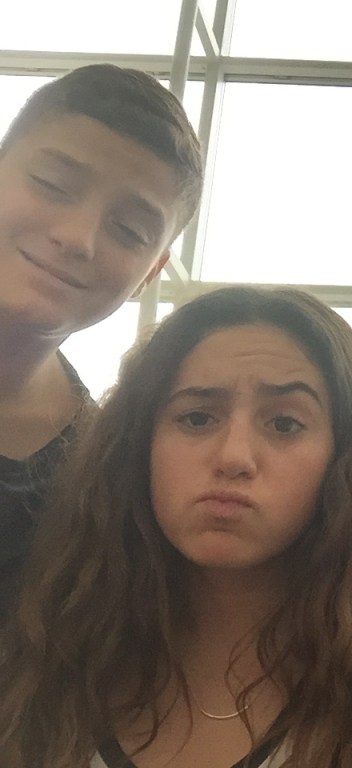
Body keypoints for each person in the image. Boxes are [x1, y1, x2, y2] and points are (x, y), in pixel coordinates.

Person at [0, 286, 352, 768]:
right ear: (138, 445)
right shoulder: (62, 639)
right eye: (197, 418)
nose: (234, 457)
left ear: (341, 460)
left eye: (284, 424)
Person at [0, 64, 204, 622]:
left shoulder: (109, 479)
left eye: (129, 231)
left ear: (150, 273)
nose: (78, 238)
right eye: (52, 185)